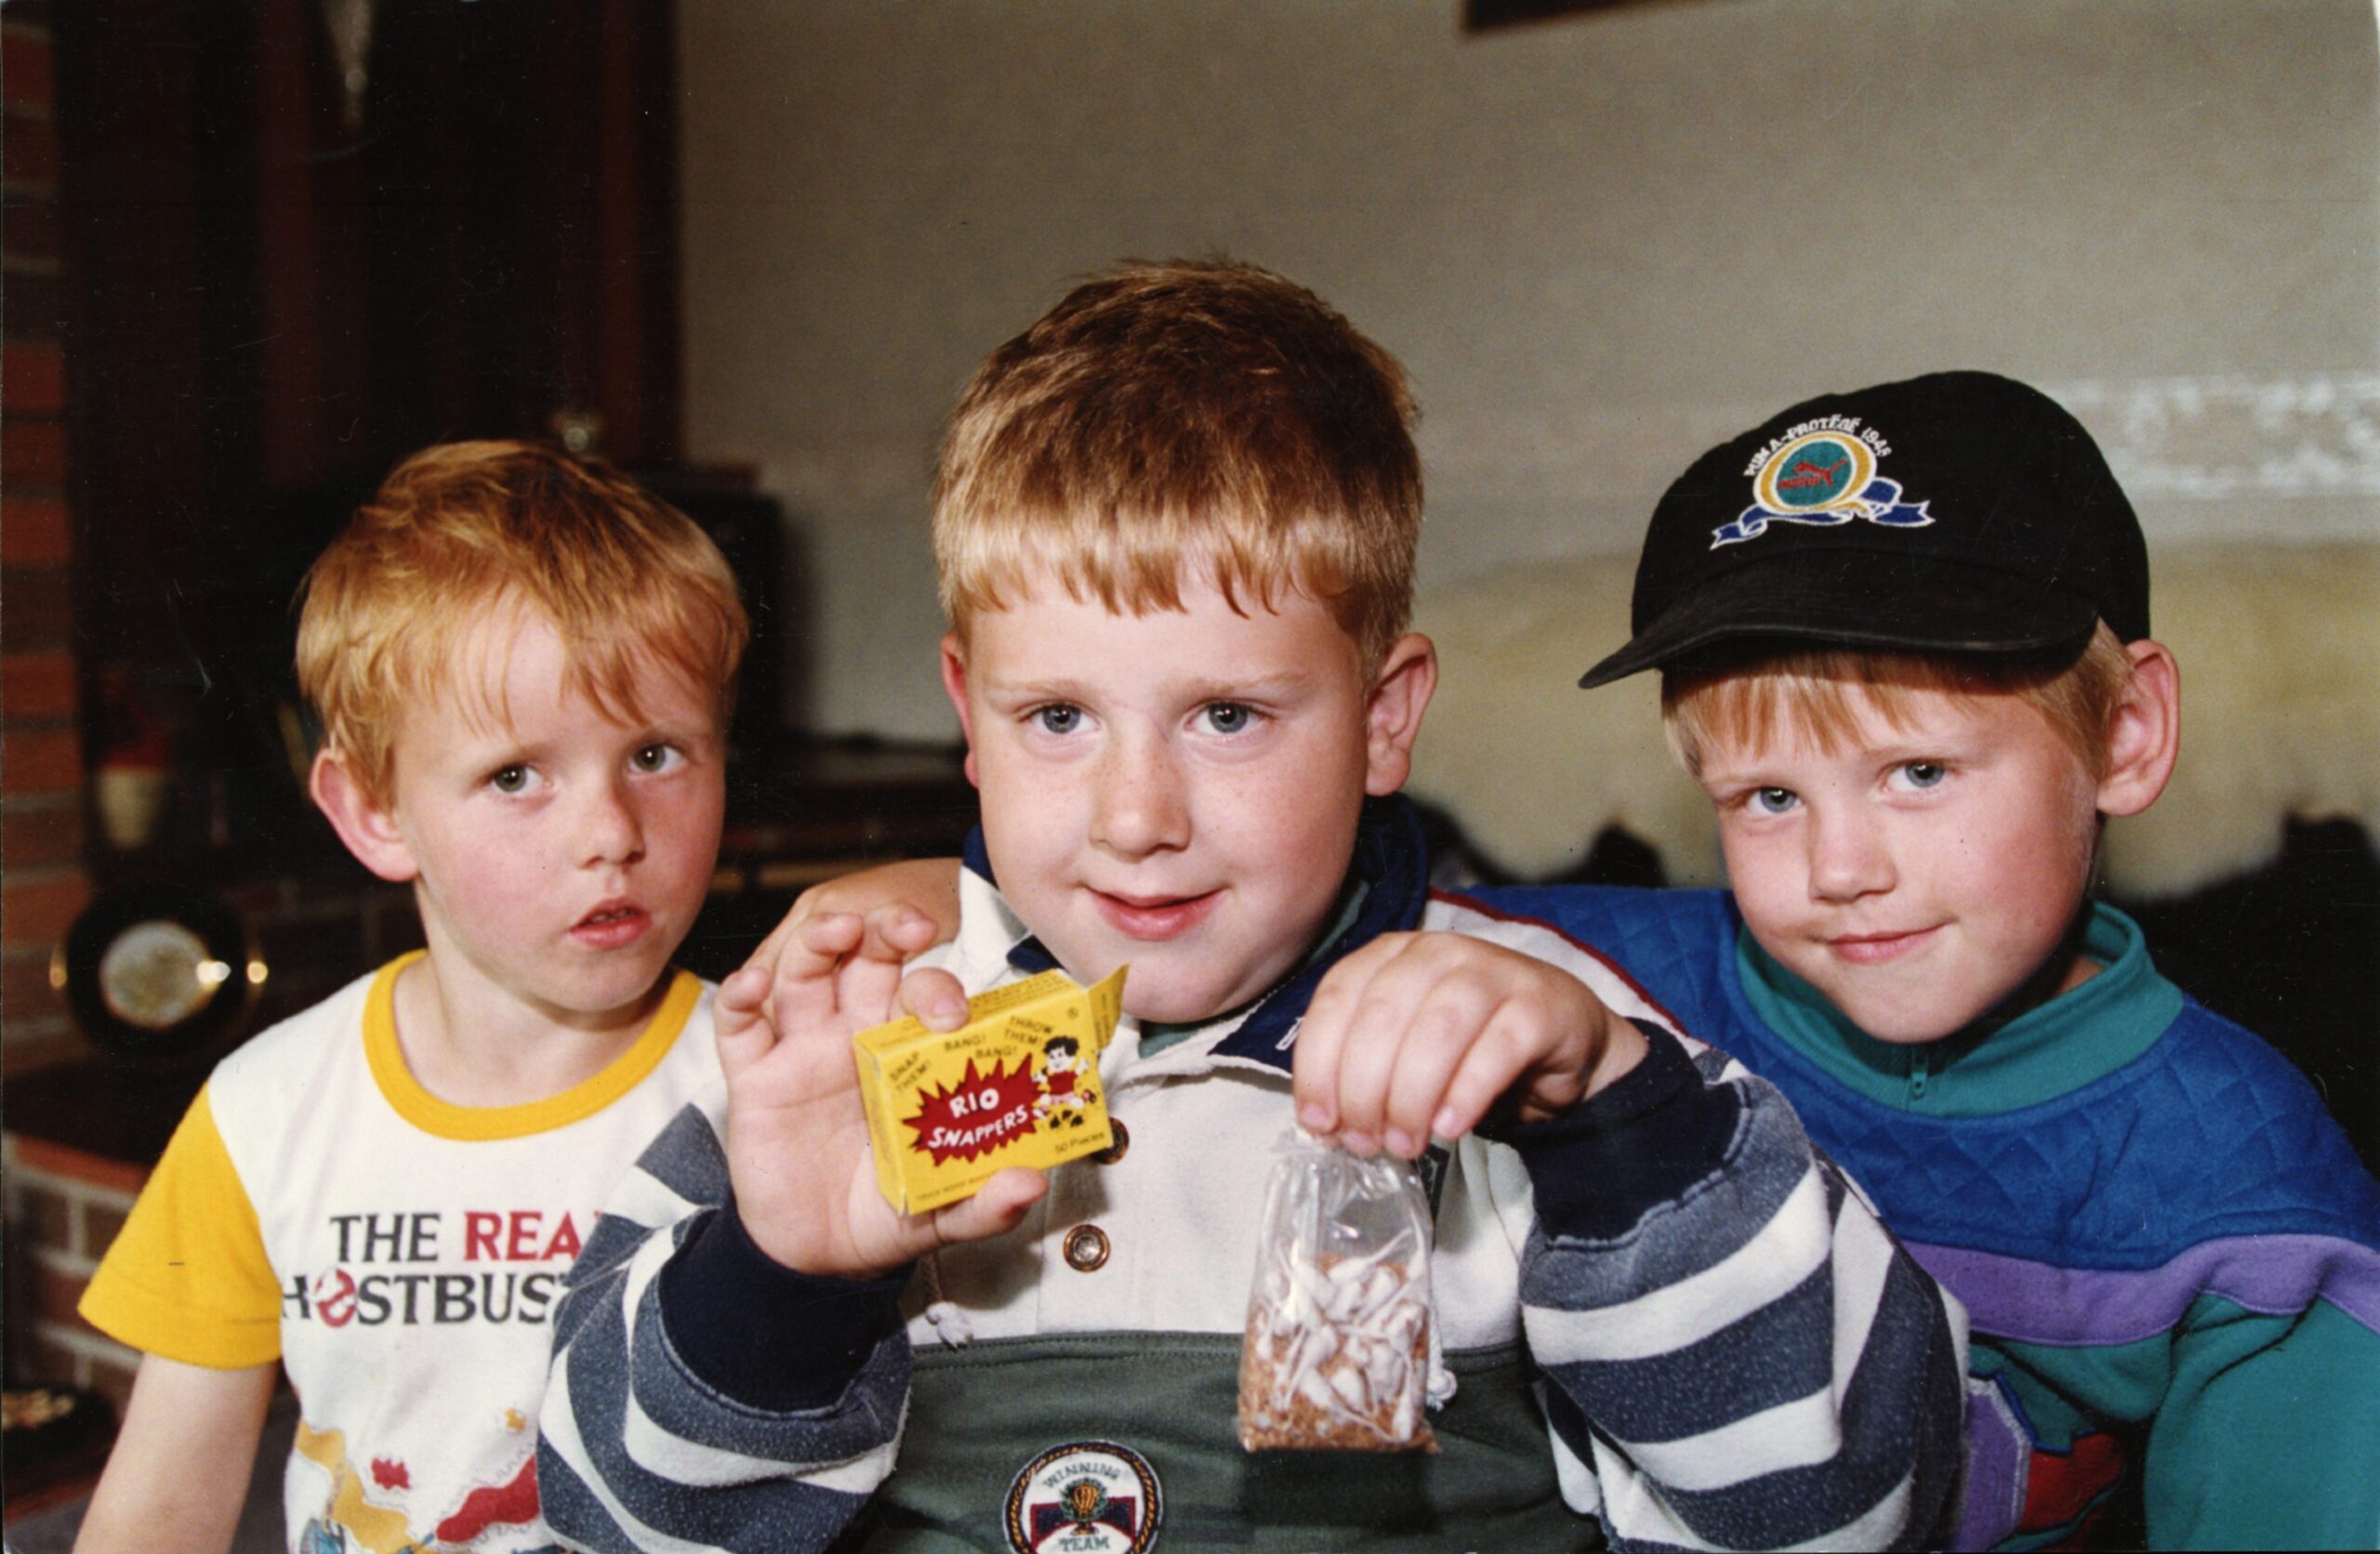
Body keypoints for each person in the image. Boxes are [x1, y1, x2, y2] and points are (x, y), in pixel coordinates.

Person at [536, 261, 1967, 1552]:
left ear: (1382, 717)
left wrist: (1612, 1122)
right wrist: (781, 1277)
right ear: (966, 712)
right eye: (1057, 719)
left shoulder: (1542, 1056)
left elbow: (1851, 1516)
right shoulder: (834, 1050)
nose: (1136, 817)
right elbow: (603, 1525)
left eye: (1226, 715)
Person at [1472, 372, 2380, 1549]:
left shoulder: (2245, 1188)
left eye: (1918, 772)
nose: (1839, 866)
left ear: (2126, 736)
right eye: (1768, 795)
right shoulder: (1578, 985)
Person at [73, 441, 750, 1554]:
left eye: (657, 752)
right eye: (516, 774)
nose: (612, 834)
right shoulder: (264, 1114)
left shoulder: (769, 1083)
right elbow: (159, 1514)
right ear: (374, 810)